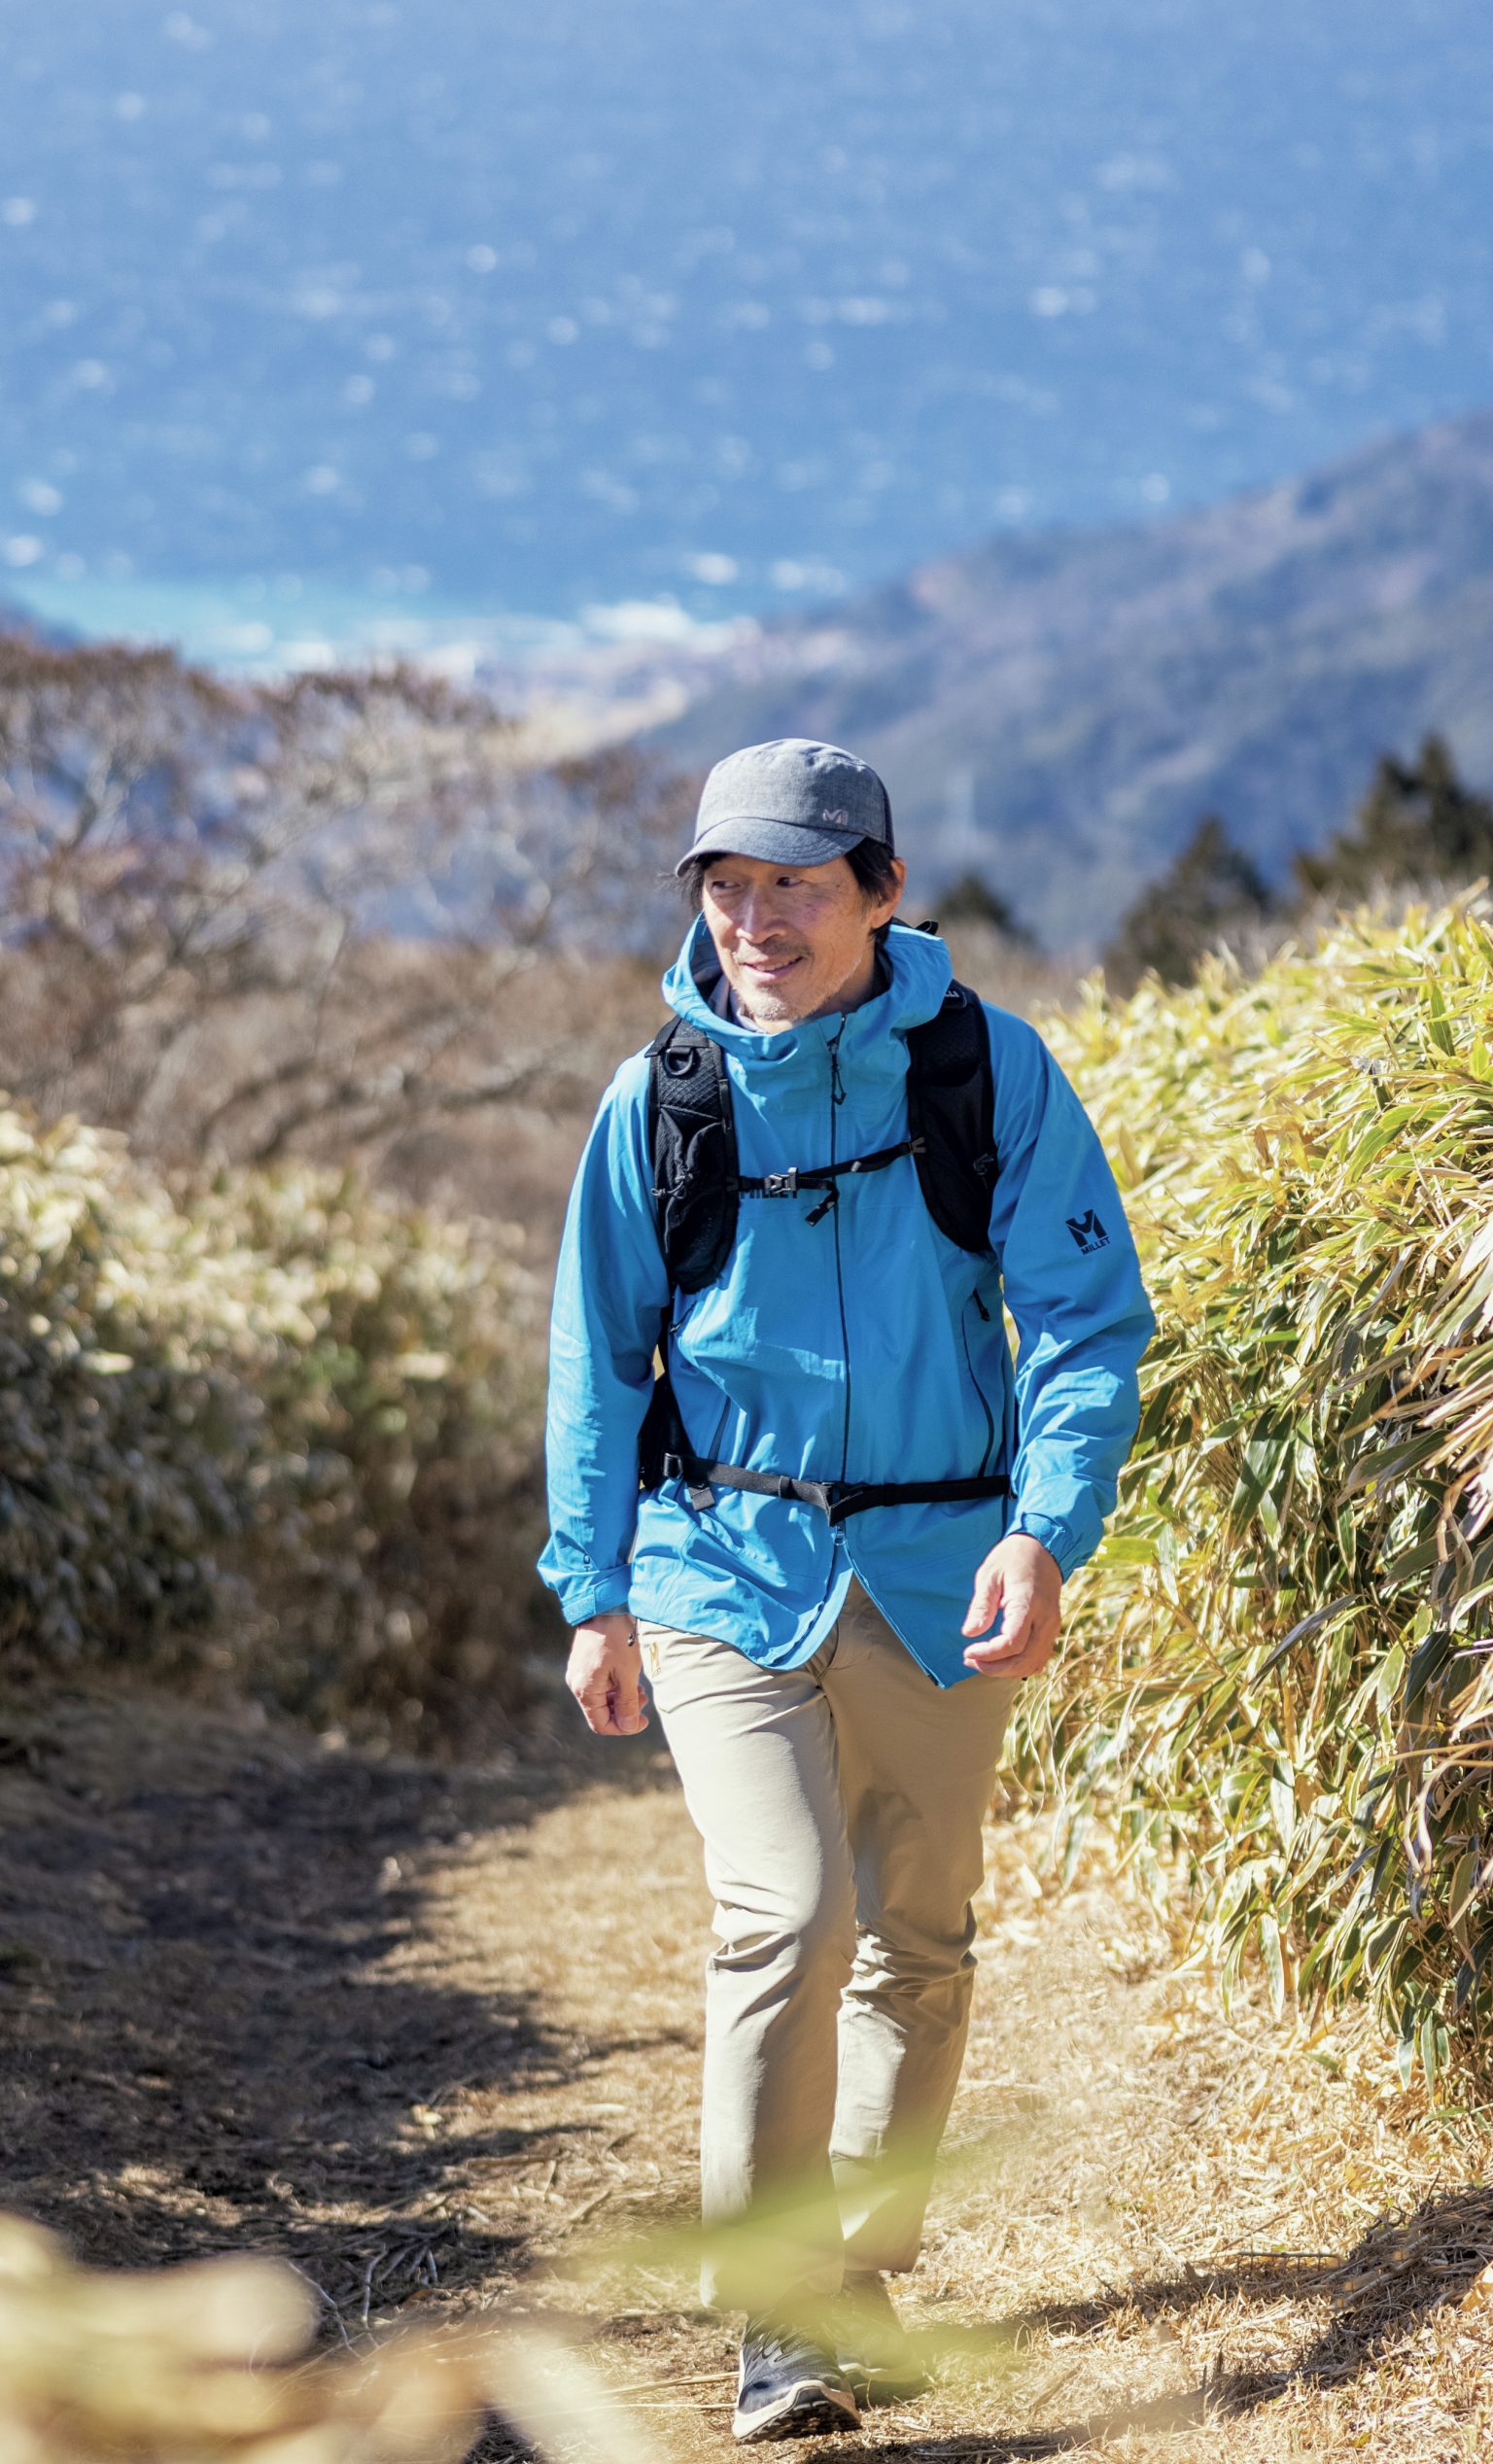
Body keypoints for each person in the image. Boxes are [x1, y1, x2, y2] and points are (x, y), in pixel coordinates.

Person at [541, 738, 1153, 2442]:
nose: (756, 920)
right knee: (787, 1916)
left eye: (795, 887)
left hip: (943, 1564)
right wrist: (592, 1587)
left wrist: (1046, 1530)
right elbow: (596, 1358)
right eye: (726, 888)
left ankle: (861, 2273)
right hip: (718, 1564)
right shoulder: (656, 1095)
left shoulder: (987, 1071)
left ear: (881, 891)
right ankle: (778, 2318)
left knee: (923, 1934)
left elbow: (1089, 1326)